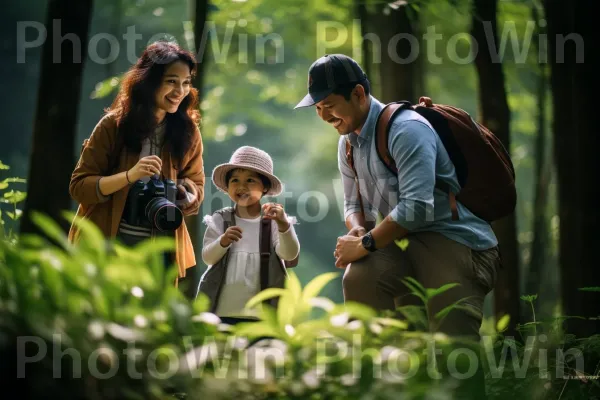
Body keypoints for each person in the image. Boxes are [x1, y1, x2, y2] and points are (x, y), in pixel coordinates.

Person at [294, 54, 500, 341]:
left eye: (329, 105)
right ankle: (381, 376)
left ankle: (462, 382)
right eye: (317, 107)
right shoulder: (348, 144)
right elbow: (354, 204)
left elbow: (417, 207)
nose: (324, 116)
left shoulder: (407, 130)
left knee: (451, 340)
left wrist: (365, 243)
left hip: (455, 239)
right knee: (361, 277)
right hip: (402, 241)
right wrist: (357, 228)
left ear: (357, 94)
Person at [69, 41, 205, 286]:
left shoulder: (188, 131)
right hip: (107, 247)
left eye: (186, 83)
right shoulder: (113, 125)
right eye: (171, 81)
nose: (180, 90)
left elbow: (197, 188)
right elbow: (79, 187)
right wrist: (129, 176)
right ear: (148, 80)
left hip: (160, 252)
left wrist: (185, 192)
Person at [198, 146, 300, 324]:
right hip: (221, 309)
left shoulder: (273, 220)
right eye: (235, 180)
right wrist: (222, 241)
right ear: (227, 186)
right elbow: (208, 257)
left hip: (262, 313)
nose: (241, 186)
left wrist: (284, 225)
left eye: (250, 181)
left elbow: (289, 254)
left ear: (265, 188)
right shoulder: (221, 219)